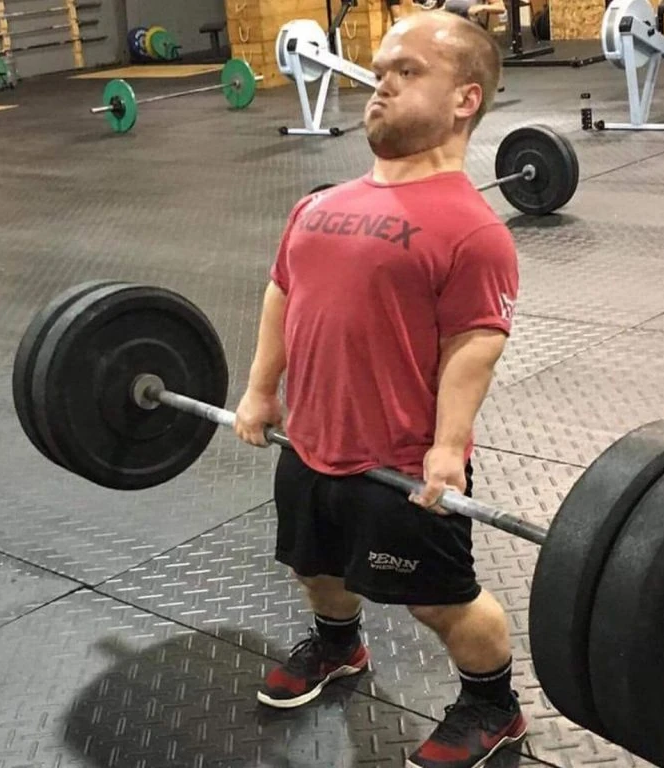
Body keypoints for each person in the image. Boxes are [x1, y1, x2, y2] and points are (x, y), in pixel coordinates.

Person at [234, 10, 524, 768]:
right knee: (314, 566)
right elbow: (282, 291)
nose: (379, 84)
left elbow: (475, 343)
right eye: (379, 69)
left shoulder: (472, 229)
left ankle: (493, 706)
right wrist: (262, 392)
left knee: (439, 600)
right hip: (311, 440)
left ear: (465, 98)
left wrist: (448, 450)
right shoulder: (320, 203)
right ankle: (341, 648)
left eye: (406, 71)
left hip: (397, 462)